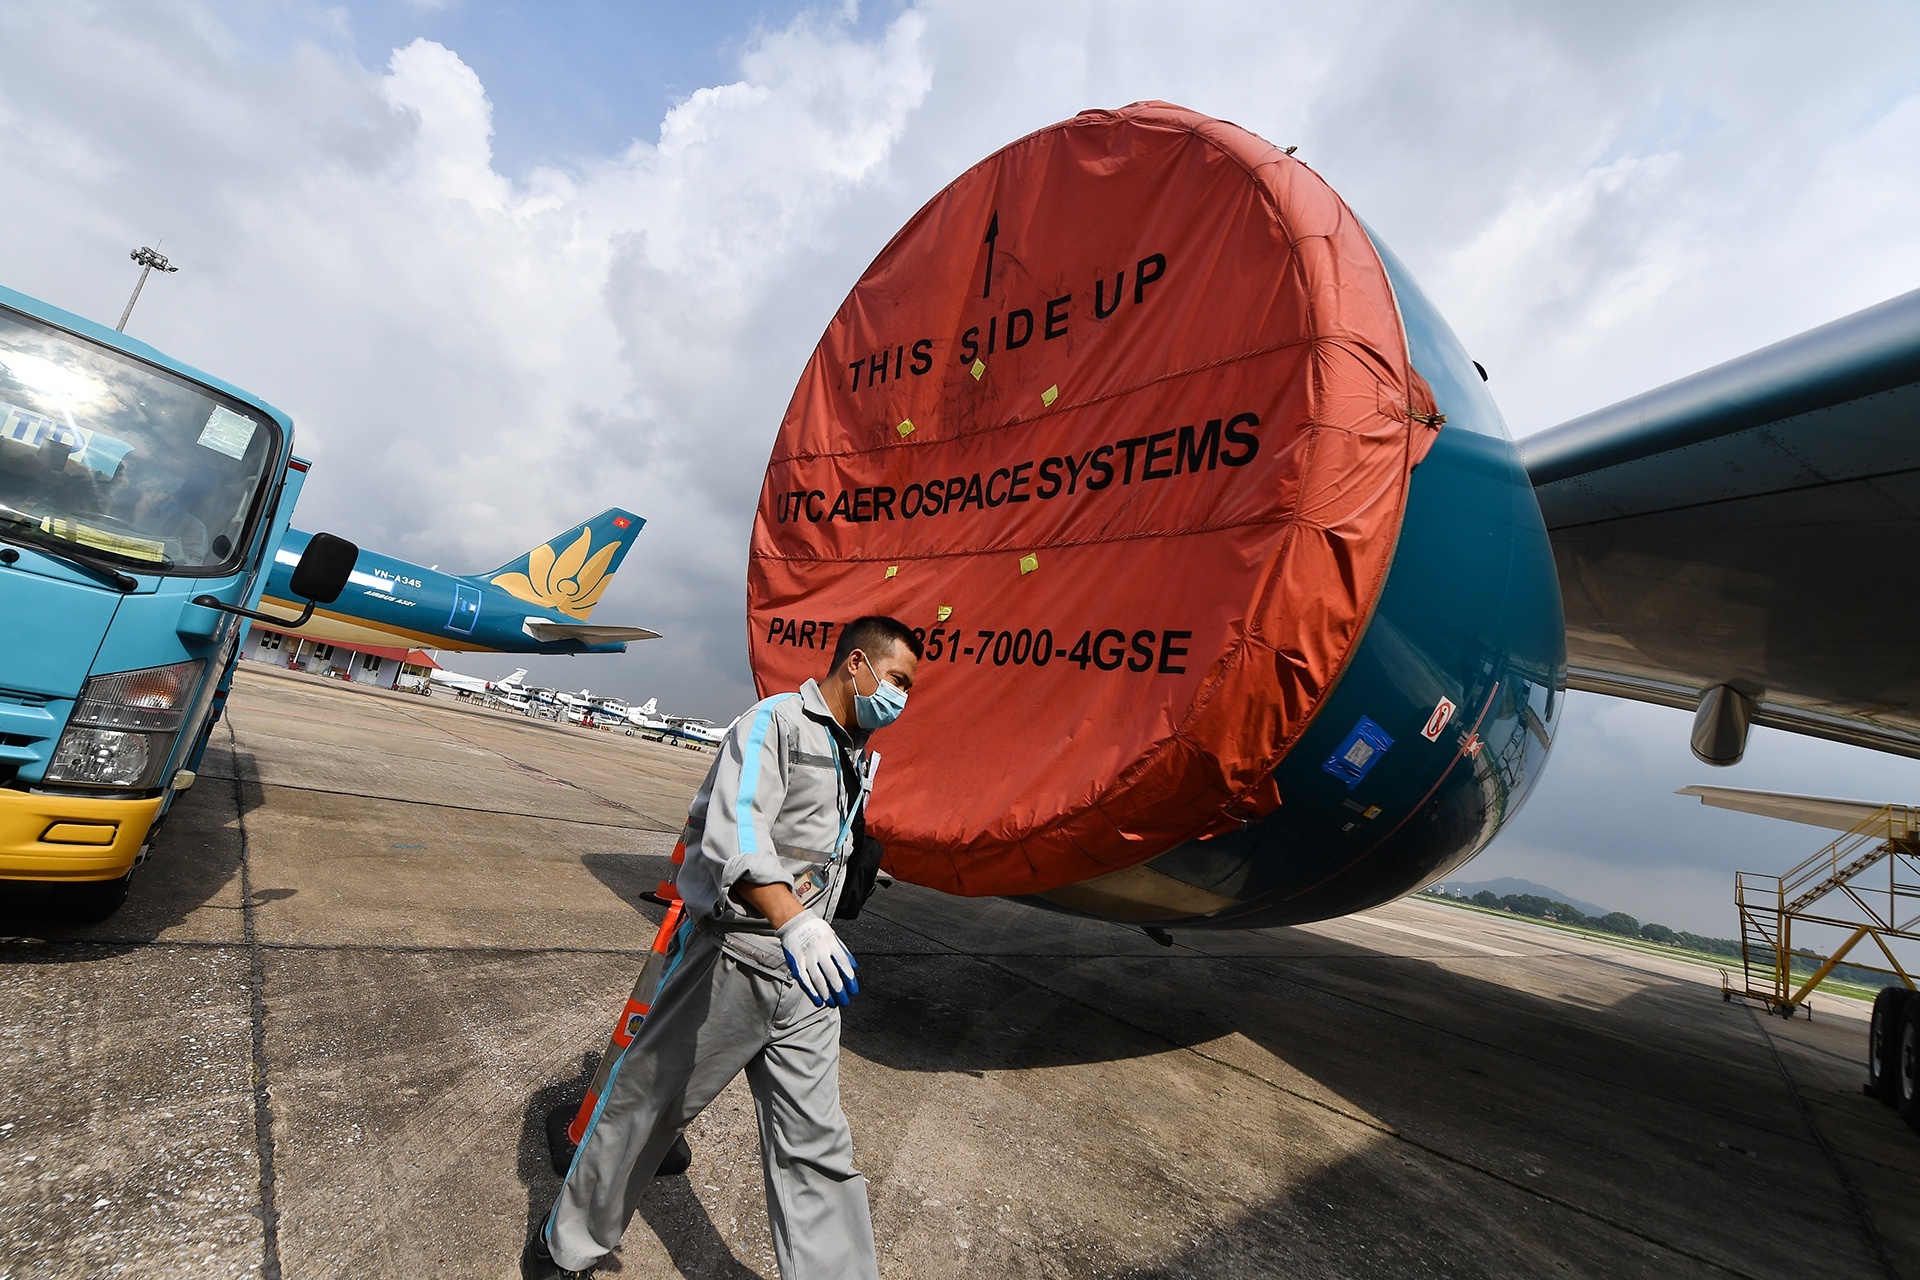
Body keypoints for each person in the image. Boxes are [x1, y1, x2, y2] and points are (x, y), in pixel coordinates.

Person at [524, 615, 923, 1280]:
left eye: (909, 688)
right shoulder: (776, 724)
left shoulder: (856, 753)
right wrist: (794, 921)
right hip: (732, 963)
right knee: (644, 1114)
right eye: (898, 680)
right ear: (858, 665)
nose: (902, 698)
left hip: (808, 982)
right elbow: (737, 833)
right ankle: (564, 1247)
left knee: (818, 1151)